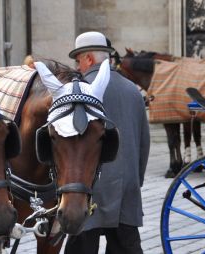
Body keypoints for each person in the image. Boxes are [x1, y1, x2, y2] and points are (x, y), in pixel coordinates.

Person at [64, 31, 150, 254]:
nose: (77, 66)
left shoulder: (78, 91)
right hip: (126, 191)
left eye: (78, 60)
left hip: (85, 192)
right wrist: (134, 182)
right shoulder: (133, 91)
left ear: (89, 59)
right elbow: (144, 145)